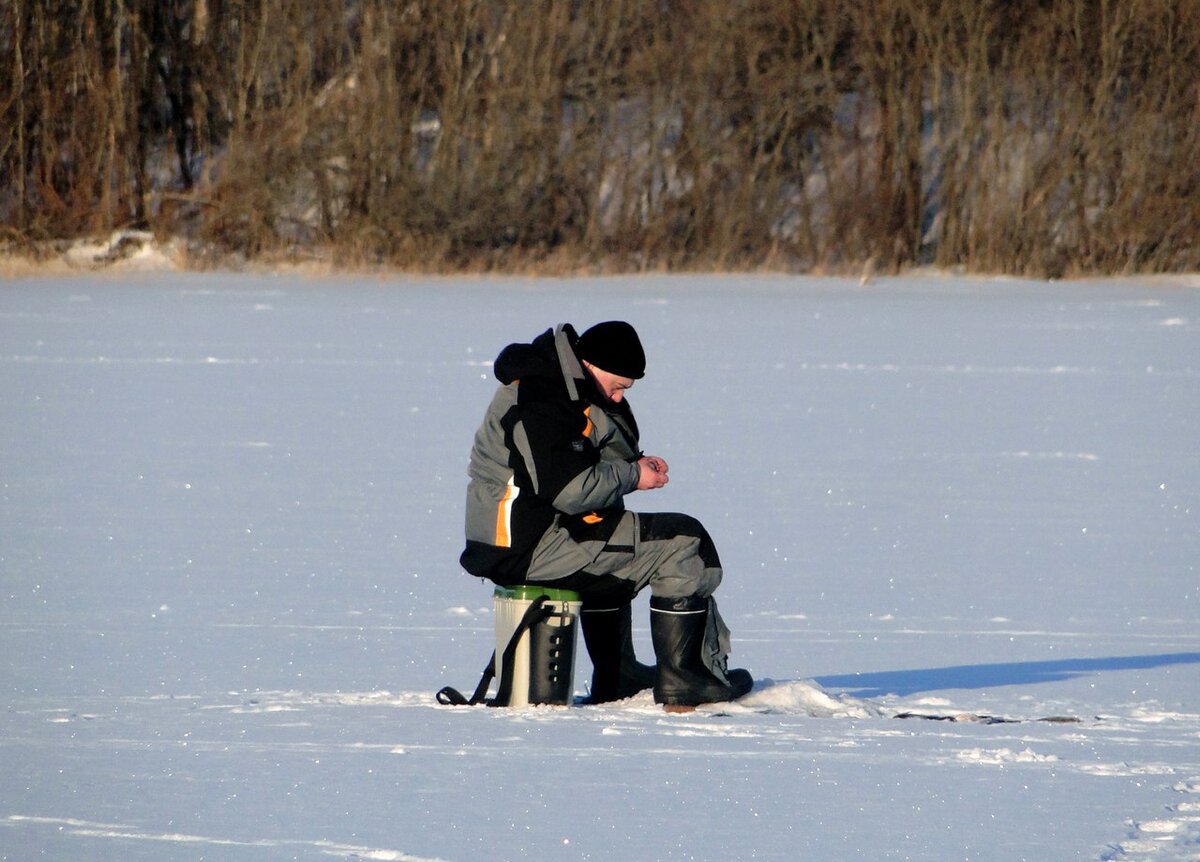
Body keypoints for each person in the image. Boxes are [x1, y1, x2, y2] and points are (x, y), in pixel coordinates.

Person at [460, 321, 752, 709]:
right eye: (617, 386)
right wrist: (633, 475)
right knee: (685, 540)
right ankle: (687, 681)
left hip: (522, 537)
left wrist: (634, 465)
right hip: (529, 545)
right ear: (590, 364)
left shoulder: (559, 386)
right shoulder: (541, 397)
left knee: (615, 530)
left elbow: (590, 456)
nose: (618, 397)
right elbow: (570, 490)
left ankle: (618, 676)